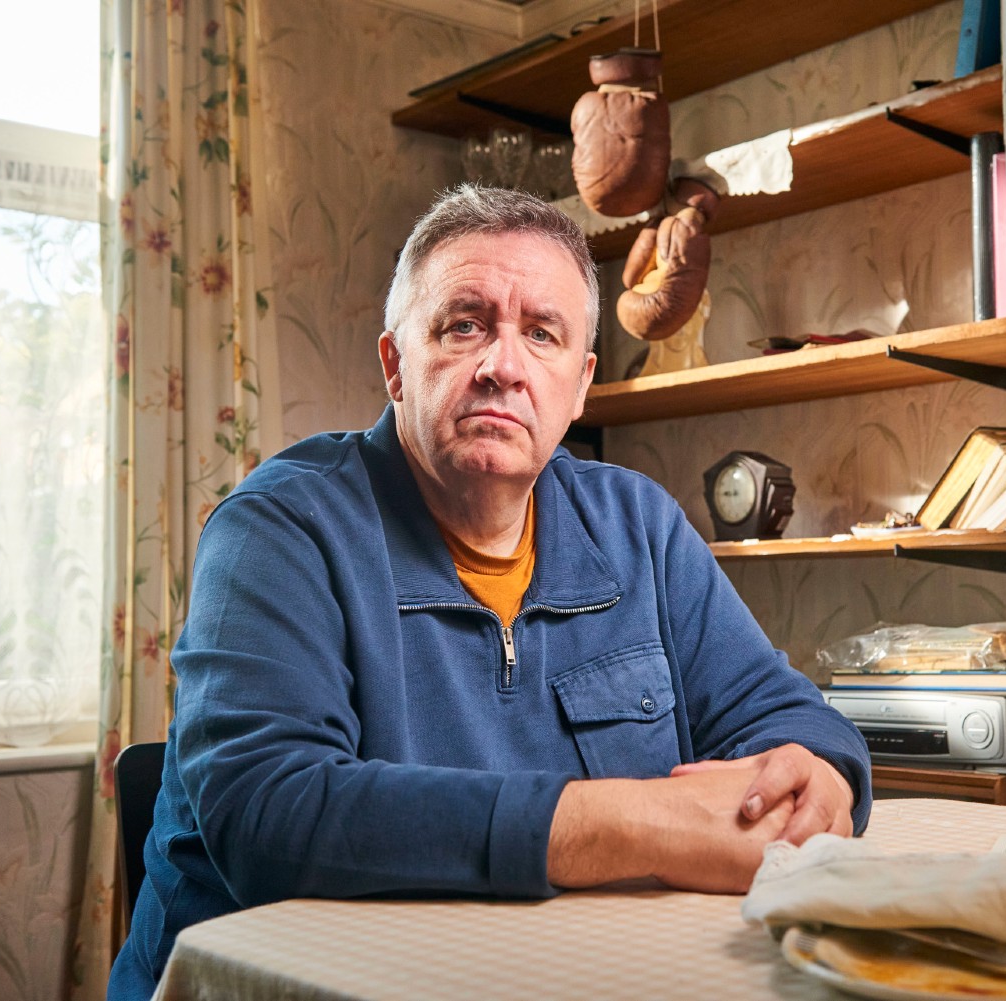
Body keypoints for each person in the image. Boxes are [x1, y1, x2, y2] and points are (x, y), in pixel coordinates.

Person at [109, 184, 872, 1000]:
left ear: (579, 388)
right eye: (464, 324)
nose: (502, 365)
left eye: (541, 334)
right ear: (395, 364)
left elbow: (787, 716)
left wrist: (823, 774)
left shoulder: (638, 523)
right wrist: (641, 823)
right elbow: (268, 810)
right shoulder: (277, 527)